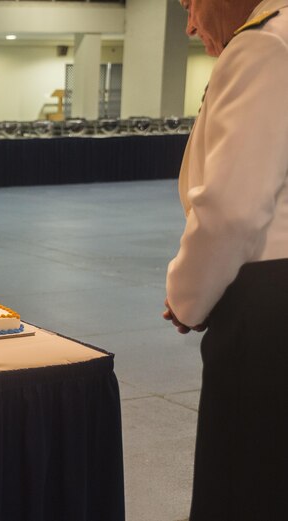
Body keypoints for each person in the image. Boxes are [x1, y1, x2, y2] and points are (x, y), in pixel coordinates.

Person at [164, 1, 288, 519]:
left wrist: (186, 297)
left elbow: (233, 212)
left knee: (246, 486)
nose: (190, 24)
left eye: (191, 3)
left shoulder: (263, 44)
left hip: (268, 312)